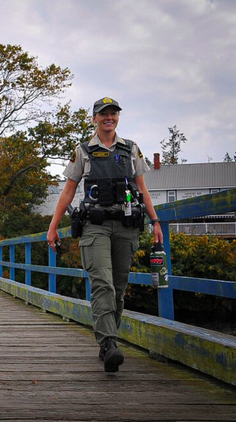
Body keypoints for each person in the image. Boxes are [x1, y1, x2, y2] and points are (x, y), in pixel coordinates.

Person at [46, 97, 163, 373]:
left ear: (117, 118)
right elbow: (68, 191)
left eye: (113, 113)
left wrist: (156, 220)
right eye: (103, 114)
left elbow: (143, 189)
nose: (109, 117)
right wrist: (52, 227)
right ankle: (110, 343)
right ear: (94, 119)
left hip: (125, 226)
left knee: (119, 288)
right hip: (95, 227)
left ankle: (107, 343)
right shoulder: (84, 151)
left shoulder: (130, 149)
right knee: (103, 284)